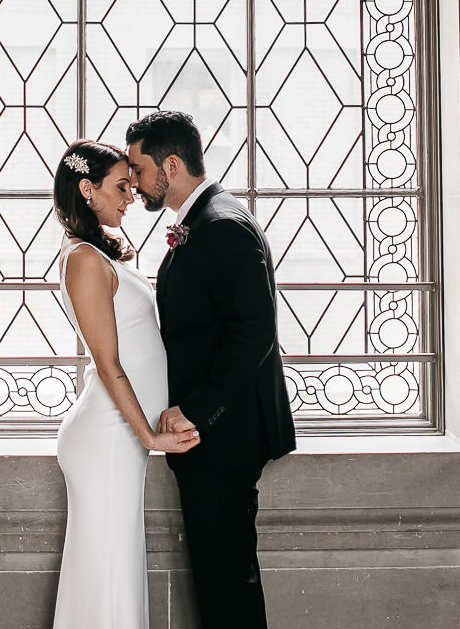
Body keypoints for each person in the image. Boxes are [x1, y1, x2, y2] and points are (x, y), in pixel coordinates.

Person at [126, 111, 297, 629]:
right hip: (212, 434)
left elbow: (254, 336)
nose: (133, 181)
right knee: (219, 577)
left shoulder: (221, 226)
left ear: (170, 165)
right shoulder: (202, 221)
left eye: (138, 168)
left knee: (227, 581)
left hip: (224, 434)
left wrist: (194, 412)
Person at [50, 139, 201, 629]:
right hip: (107, 437)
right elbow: (109, 363)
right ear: (87, 190)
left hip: (118, 440)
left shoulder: (100, 254)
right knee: (109, 573)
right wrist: (150, 435)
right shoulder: (83, 261)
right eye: (120, 186)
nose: (131, 196)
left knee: (114, 570)